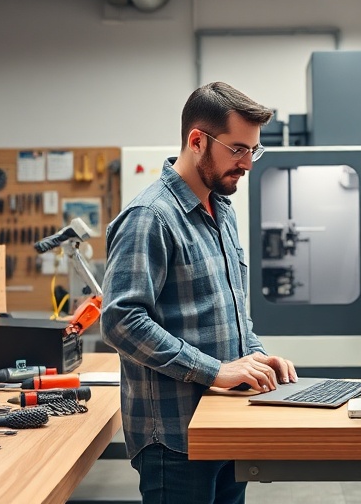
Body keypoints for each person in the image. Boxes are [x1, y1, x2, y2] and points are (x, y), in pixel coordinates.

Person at [101, 82, 299, 504]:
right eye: (238, 149)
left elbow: (228, 308)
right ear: (197, 141)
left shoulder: (221, 212)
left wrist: (256, 356)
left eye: (253, 151)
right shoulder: (149, 216)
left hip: (225, 422)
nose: (247, 163)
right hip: (176, 437)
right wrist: (215, 371)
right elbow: (121, 322)